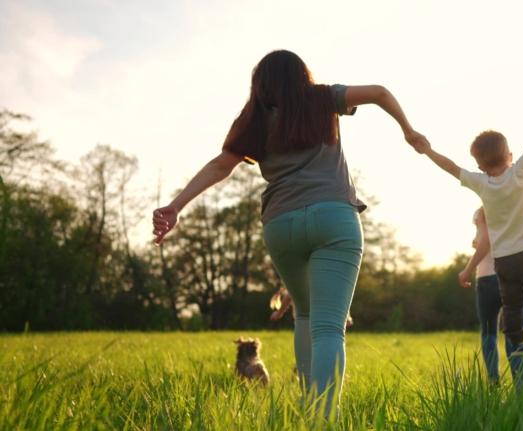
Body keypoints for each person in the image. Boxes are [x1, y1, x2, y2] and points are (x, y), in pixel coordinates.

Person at [152, 49, 427, 419]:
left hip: (281, 226)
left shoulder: (252, 119)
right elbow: (379, 92)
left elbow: (221, 165)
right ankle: (323, 421)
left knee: (305, 316)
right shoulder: (323, 97)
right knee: (329, 327)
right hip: (333, 217)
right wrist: (408, 130)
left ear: (260, 85)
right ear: (302, 76)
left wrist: (176, 206)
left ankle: (309, 406)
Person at [413, 106, 523, 357]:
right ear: (510, 156)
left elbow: (450, 167)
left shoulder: (481, 184)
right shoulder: (521, 172)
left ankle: (518, 344)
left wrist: (427, 150)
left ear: (480, 166)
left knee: (512, 305)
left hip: (505, 258)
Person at [459, 207, 523, 386]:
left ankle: (493, 382)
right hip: (515, 278)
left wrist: (468, 269)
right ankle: (522, 391)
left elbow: (486, 239)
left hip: (488, 278)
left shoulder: (483, 211)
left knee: (489, 332)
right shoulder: (517, 208)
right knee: (514, 334)